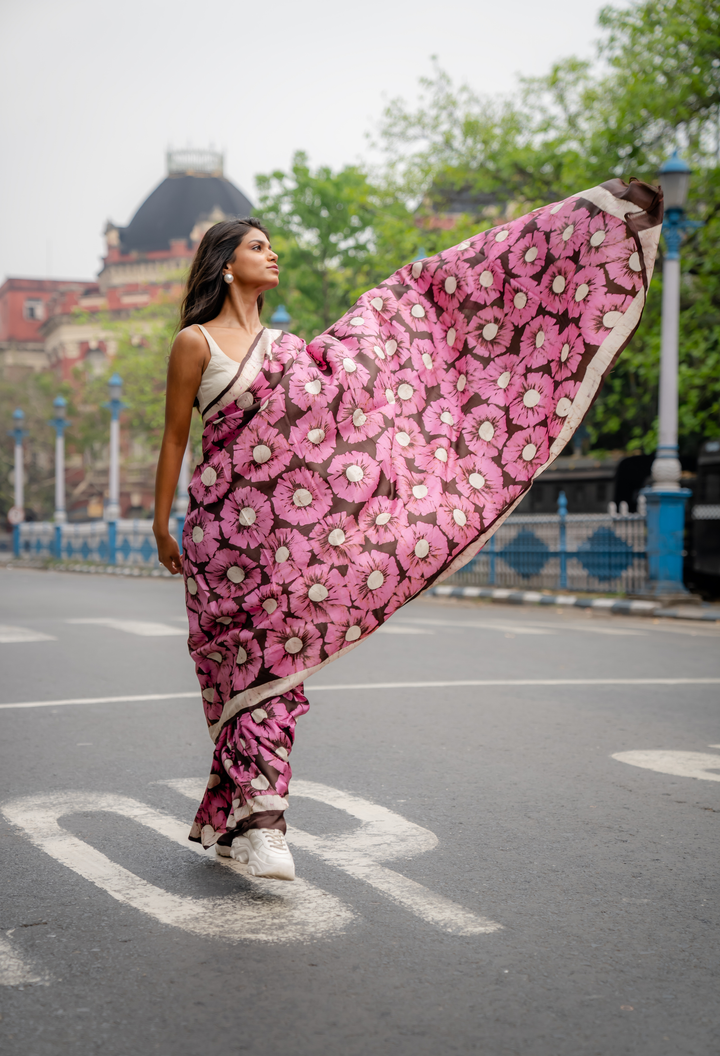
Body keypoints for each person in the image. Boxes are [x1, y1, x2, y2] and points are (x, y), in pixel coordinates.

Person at [153, 180, 663, 881]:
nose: (272, 256)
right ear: (225, 264)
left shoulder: (291, 349)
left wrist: (406, 310)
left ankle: (263, 821)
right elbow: (176, 439)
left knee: (276, 673)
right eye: (257, 247)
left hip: (290, 545)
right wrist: (160, 524)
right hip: (223, 537)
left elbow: (341, 409)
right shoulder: (195, 343)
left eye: (271, 246)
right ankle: (248, 819)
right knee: (236, 674)